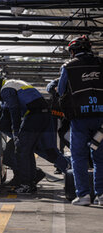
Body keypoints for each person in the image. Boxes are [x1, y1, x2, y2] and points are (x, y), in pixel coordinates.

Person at [0, 72, 66, 194]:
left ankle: (26, 184)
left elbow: (14, 109)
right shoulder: (13, 83)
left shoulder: (5, 89)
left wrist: (16, 132)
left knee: (21, 149)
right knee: (47, 151)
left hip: (34, 116)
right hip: (45, 115)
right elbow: (7, 114)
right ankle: (74, 173)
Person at [58, 35, 103, 206]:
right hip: (101, 117)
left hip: (80, 118)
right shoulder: (101, 63)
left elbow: (61, 90)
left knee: (78, 157)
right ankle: (102, 194)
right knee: (101, 157)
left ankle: (83, 195)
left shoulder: (68, 67)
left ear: (72, 51)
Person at [47, 79, 71, 174]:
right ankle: (59, 165)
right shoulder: (57, 82)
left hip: (67, 114)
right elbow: (49, 87)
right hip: (55, 114)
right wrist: (55, 88)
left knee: (65, 138)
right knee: (55, 141)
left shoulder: (73, 80)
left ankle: (66, 162)